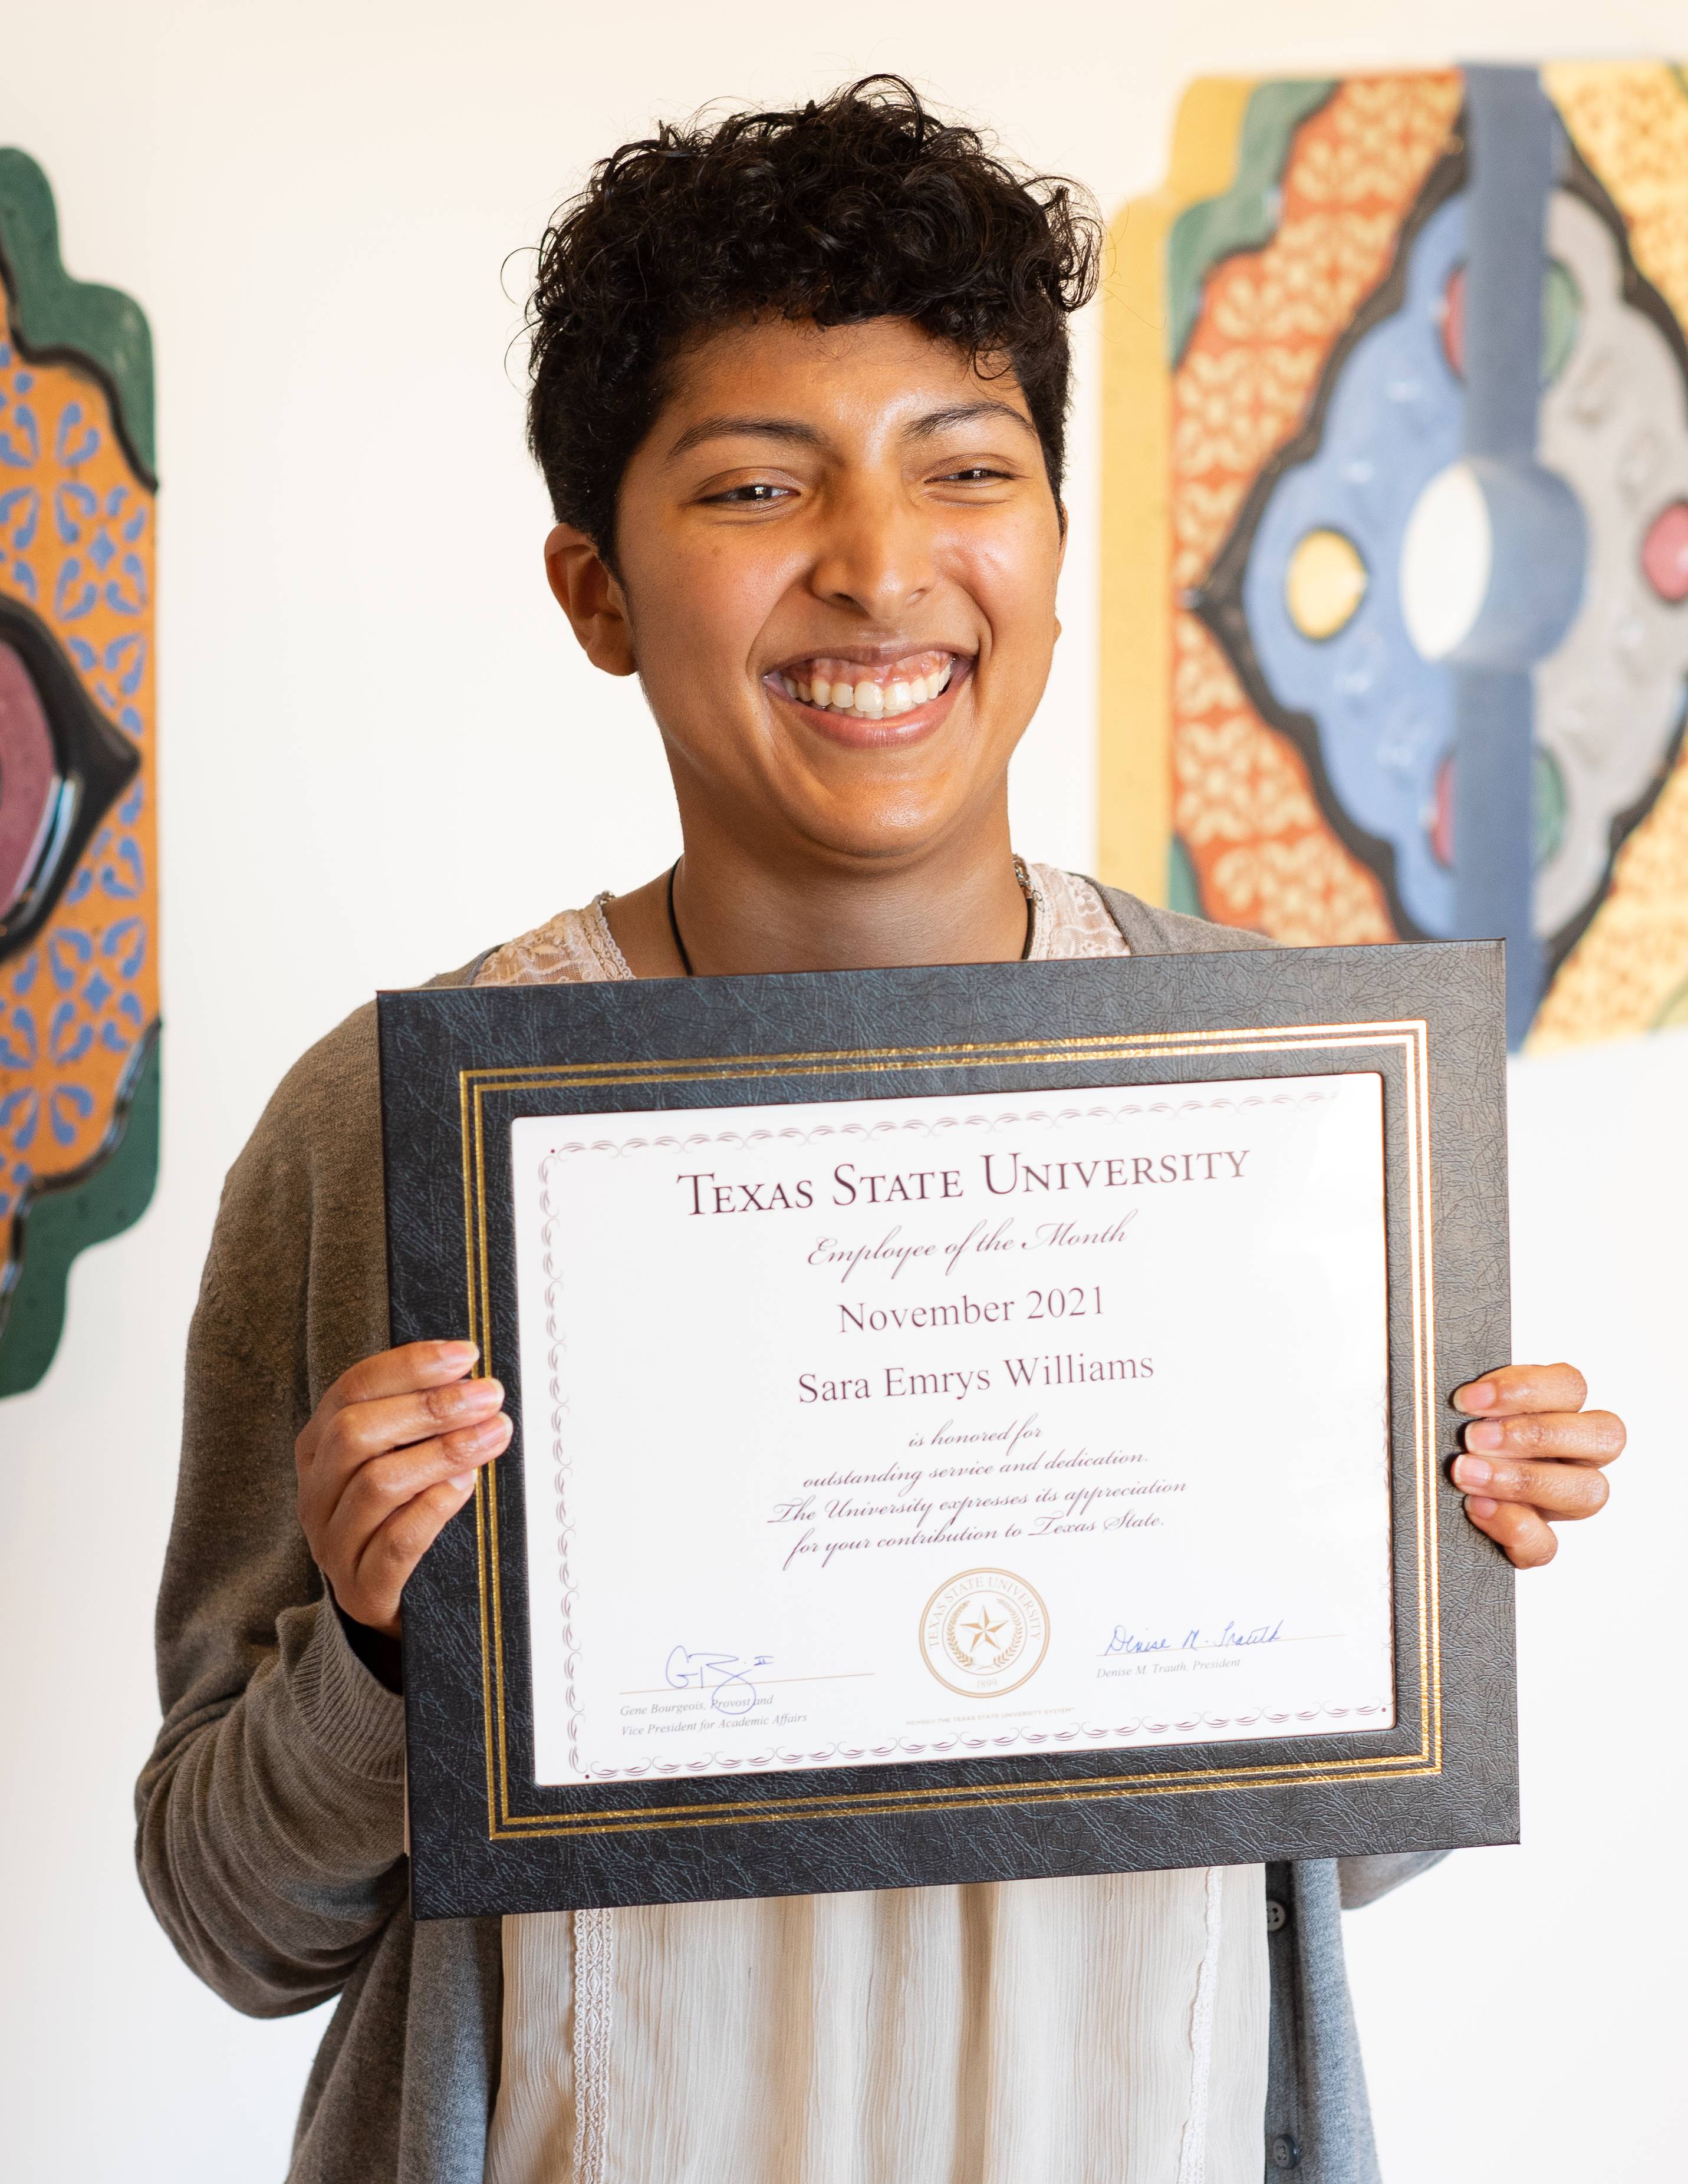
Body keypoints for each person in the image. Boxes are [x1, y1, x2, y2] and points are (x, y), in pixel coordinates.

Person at [137, 79, 1626, 2184]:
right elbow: (230, 1916)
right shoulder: (394, 1134)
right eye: (758, 485)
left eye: (968, 471)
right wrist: (383, 1650)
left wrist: (1423, 1579)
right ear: (594, 588)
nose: (878, 567)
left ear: (1050, 535)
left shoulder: (1281, 1112)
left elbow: (1323, 1864)